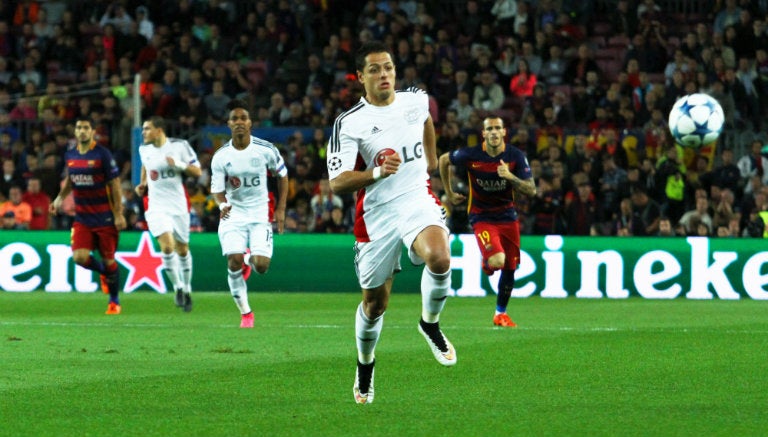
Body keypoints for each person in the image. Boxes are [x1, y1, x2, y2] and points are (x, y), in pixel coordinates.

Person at [326, 41, 455, 405]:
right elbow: (337, 182)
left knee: (440, 258)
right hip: (376, 216)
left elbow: (427, 119)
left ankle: (430, 323)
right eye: (375, 70)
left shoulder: (415, 100)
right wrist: (376, 171)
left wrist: (430, 159)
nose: (384, 75)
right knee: (374, 304)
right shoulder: (349, 123)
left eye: (388, 68)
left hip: (416, 198)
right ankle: (365, 365)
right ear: (360, 77)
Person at [438, 116, 536, 328]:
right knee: (498, 261)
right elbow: (443, 160)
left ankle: (500, 313)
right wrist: (449, 192)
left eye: (497, 128)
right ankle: (487, 259)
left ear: (503, 132)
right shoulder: (472, 154)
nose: (493, 132)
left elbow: (531, 190)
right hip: (481, 216)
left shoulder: (515, 156)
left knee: (510, 267)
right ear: (483, 134)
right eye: (489, 128)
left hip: (508, 217)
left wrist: (510, 177)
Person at [210, 99, 288, 328]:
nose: (239, 122)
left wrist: (281, 209)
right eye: (235, 119)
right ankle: (246, 314)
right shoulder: (221, 156)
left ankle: (248, 260)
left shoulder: (265, 150)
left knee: (261, 266)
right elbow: (217, 190)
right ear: (229, 124)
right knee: (232, 261)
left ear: (250, 123)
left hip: (260, 214)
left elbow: (282, 176)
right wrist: (221, 205)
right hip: (233, 214)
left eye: (243, 118)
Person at [49, 116, 126, 314]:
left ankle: (114, 301)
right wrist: (59, 199)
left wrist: (118, 214)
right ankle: (103, 273)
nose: (82, 131)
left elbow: (115, 185)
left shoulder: (102, 154)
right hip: (82, 217)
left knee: (109, 260)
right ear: (75, 132)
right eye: (78, 127)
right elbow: (70, 181)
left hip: (104, 217)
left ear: (92, 131)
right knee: (80, 257)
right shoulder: (71, 154)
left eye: (86, 128)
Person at [135, 116, 201, 312]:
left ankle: (187, 289)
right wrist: (143, 184)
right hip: (156, 206)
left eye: (147, 129)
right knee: (167, 246)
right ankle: (178, 287)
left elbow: (197, 172)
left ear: (159, 130)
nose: (144, 133)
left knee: (182, 249)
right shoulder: (144, 150)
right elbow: (146, 166)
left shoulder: (180, 146)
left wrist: (179, 165)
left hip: (178, 205)